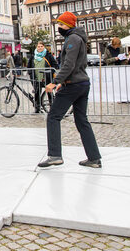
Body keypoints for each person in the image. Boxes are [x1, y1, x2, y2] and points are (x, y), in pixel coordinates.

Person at [37, 11, 102, 169]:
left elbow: (69, 64)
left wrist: (55, 82)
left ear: (69, 25)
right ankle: (94, 158)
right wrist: (63, 81)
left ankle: (54, 155)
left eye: (61, 24)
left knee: (53, 117)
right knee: (81, 120)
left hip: (74, 84)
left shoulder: (72, 38)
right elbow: (78, 65)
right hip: (81, 83)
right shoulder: (77, 37)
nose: (59, 27)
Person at [27, 41, 58, 113]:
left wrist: (50, 72)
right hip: (36, 78)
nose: (40, 48)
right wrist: (31, 74)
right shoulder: (33, 56)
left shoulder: (48, 55)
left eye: (41, 46)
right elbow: (29, 67)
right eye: (38, 46)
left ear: (44, 47)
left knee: (49, 92)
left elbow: (55, 65)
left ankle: (52, 107)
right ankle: (37, 108)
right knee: (37, 92)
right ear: (36, 47)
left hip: (46, 77)